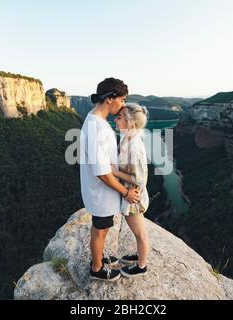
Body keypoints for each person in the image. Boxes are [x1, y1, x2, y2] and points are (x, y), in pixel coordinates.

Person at [80, 78, 141, 281]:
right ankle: (97, 268)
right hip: (101, 194)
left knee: (102, 229)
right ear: (109, 99)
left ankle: (100, 259)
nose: (123, 105)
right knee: (100, 231)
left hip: (100, 193)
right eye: (122, 100)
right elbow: (102, 172)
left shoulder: (94, 121)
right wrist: (126, 192)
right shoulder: (97, 129)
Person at [112, 103, 150, 278]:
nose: (115, 120)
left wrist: (114, 172)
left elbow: (139, 179)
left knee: (140, 233)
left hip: (133, 197)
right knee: (137, 231)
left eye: (119, 117)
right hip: (129, 195)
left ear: (130, 123)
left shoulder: (135, 147)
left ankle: (142, 266)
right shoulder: (127, 138)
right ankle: (139, 254)